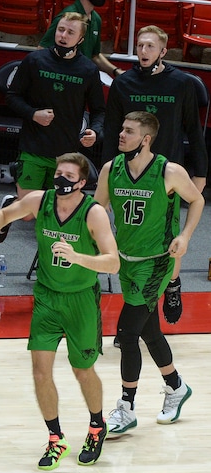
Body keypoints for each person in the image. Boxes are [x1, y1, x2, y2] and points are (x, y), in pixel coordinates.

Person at [0, 152, 119, 470]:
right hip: (46, 297)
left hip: (81, 300)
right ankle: (56, 438)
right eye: (58, 173)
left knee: (82, 371)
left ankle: (97, 426)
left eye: (68, 176)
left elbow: (113, 262)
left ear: (82, 183)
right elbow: (5, 213)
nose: (60, 179)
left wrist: (78, 257)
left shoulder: (93, 213)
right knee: (40, 371)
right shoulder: (40, 200)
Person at [94, 111, 202, 435]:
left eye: (129, 131)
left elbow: (197, 200)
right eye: (121, 129)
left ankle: (126, 407)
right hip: (125, 260)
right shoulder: (110, 169)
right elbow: (96, 211)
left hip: (156, 262)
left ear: (145, 139)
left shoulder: (169, 171)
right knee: (149, 332)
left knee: (126, 334)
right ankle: (176, 386)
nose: (121, 134)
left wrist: (185, 236)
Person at [101, 25, 208, 324]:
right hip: (130, 171)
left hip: (167, 173)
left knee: (168, 236)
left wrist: (201, 171)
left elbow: (193, 130)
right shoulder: (123, 84)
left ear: (163, 51)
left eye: (150, 46)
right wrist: (107, 173)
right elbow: (112, 130)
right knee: (132, 233)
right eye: (140, 45)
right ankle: (138, 302)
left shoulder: (182, 83)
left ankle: (172, 284)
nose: (143, 51)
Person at [0, 12, 105, 242]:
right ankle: (11, 203)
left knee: (54, 210)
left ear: (80, 39)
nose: (63, 36)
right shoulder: (35, 61)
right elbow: (12, 96)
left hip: (65, 153)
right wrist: (33, 114)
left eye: (70, 32)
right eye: (60, 30)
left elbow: (99, 110)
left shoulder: (88, 70)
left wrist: (95, 131)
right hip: (33, 146)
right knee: (28, 215)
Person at [39, 0, 124, 78]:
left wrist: (116, 71)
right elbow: (42, 50)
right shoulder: (65, 19)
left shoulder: (96, 19)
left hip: (83, 75)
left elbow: (95, 56)